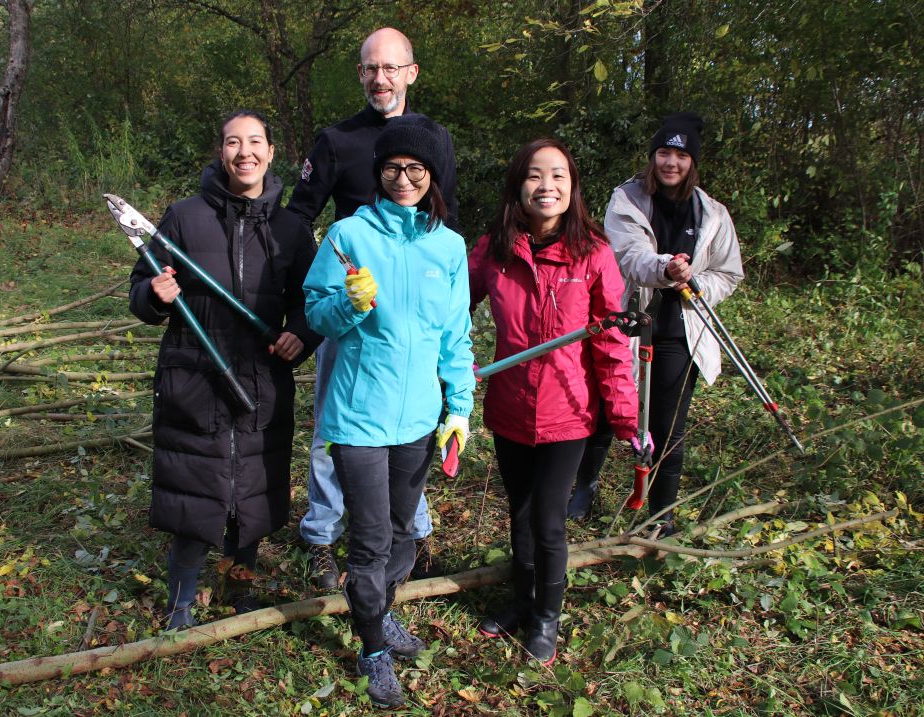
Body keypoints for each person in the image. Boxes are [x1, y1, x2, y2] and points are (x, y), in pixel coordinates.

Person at [303, 115, 474, 708]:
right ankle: (373, 648)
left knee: (404, 533)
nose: (403, 179)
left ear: (433, 176)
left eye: (416, 169)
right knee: (371, 540)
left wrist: (459, 406)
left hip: (420, 420)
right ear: (378, 172)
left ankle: (381, 611)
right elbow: (317, 315)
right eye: (393, 168)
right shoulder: (348, 235)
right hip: (358, 417)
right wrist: (349, 306)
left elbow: (455, 335)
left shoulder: (448, 247)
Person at [129, 110, 321, 630]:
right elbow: (140, 287)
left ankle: (240, 592)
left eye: (255, 142)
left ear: (271, 152)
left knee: (253, 496)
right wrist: (155, 294)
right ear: (221, 152)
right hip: (195, 375)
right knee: (195, 496)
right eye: (233, 143)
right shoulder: (184, 217)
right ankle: (181, 603)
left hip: (262, 376)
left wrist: (301, 334)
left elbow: (312, 301)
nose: (244, 152)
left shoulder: (291, 229)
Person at [288, 26, 459, 589]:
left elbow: (446, 221)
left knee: (416, 425)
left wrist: (445, 310)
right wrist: (311, 312)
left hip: (413, 318)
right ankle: (322, 534)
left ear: (411, 73)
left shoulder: (434, 138)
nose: (379, 78)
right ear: (360, 74)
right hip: (352, 316)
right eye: (370, 68)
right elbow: (298, 221)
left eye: (390, 68)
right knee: (332, 429)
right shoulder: (337, 140)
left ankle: (411, 529)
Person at [468, 139, 641, 665]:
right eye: (535, 175)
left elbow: (611, 343)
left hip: (569, 413)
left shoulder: (593, 253)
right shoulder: (494, 250)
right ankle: (522, 601)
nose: (547, 186)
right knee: (520, 513)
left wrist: (625, 417)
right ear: (517, 186)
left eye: (559, 176)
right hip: (509, 408)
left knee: (548, 518)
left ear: (573, 187)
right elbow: (448, 307)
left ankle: (547, 615)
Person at [567, 112, 743, 535]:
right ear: (653, 157)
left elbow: (728, 273)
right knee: (607, 410)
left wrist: (694, 282)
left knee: (668, 426)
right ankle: (584, 488)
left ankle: (661, 513)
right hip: (626, 322)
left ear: (692, 162)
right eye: (664, 153)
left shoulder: (713, 214)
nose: (671, 162)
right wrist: (666, 268)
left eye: (681, 156)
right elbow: (628, 256)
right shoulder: (626, 200)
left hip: (681, 331)